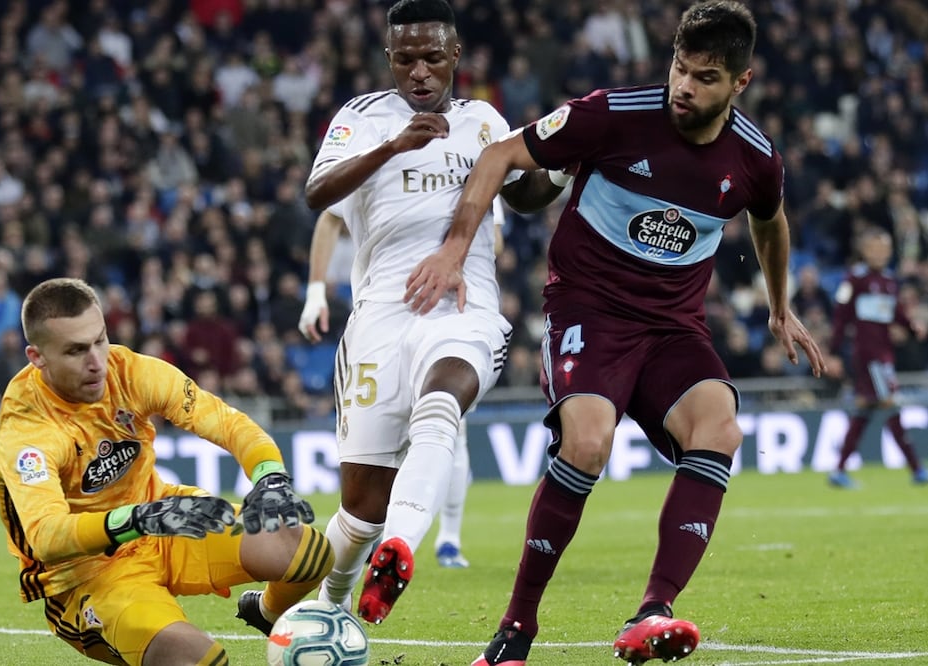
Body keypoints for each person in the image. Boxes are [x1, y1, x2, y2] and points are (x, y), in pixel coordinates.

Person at [404, 2, 826, 663]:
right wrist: (456, 247)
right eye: (679, 69)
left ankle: (651, 613)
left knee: (719, 427)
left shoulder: (753, 158)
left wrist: (779, 304)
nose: (684, 86)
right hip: (587, 314)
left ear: (739, 83)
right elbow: (496, 156)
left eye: (705, 77)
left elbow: (769, 222)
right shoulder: (611, 113)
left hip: (672, 328)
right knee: (588, 442)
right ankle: (514, 631)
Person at [303, 0, 567, 625]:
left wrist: (561, 166)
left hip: (463, 307)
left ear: (454, 57)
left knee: (442, 399)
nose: (418, 72)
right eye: (405, 59)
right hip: (379, 319)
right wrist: (392, 148)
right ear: (388, 60)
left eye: (430, 58)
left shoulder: (482, 121)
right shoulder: (363, 118)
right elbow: (319, 193)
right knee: (361, 507)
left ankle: (403, 548)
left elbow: (524, 193)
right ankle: (326, 602)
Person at [0, 277, 331, 666]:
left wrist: (271, 478)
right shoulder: (27, 430)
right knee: (199, 660)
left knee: (309, 552)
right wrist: (136, 520)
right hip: (88, 573)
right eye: (75, 350)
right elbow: (47, 537)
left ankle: (266, 614)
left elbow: (225, 422)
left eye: (100, 340)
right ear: (37, 357)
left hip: (165, 519)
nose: (96, 361)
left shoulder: (130, 371)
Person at [298, 200, 514, 570]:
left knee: (445, 420)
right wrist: (316, 291)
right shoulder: (373, 149)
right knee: (368, 470)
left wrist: (452, 243)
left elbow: (494, 241)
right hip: (381, 322)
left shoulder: (477, 156)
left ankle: (440, 539)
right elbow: (328, 213)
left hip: (448, 316)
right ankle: (343, 578)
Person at [825, 227, 928, 489]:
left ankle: (838, 470)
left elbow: (896, 313)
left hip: (884, 353)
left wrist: (911, 327)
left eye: (884, 249)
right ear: (864, 251)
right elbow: (840, 317)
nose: (879, 254)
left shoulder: (890, 281)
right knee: (890, 404)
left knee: (865, 410)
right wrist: (834, 352)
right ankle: (917, 469)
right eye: (874, 248)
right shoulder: (854, 280)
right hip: (869, 355)